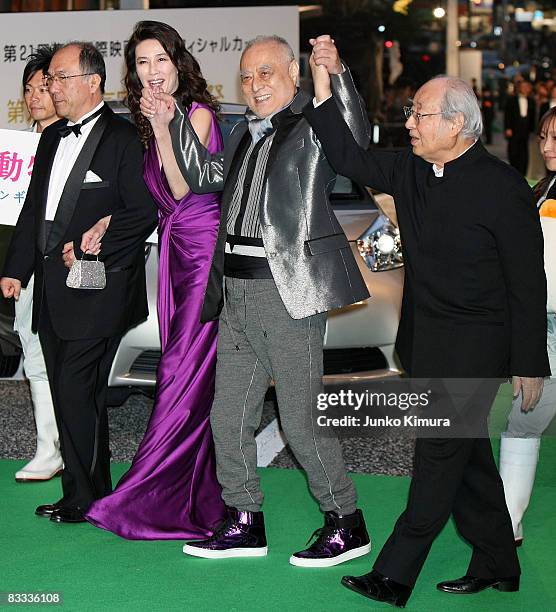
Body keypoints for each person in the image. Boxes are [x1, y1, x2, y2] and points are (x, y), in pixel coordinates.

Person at [304, 61, 549, 606]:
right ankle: (498, 563)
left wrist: (530, 362)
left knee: (437, 456)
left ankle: (394, 574)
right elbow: (347, 155)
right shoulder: (411, 169)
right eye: (411, 112)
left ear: (458, 125)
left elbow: (527, 283)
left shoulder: (503, 187)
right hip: (426, 339)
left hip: (478, 345)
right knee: (469, 461)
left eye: (420, 114)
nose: (409, 122)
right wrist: (322, 87)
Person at [141, 34, 371, 566]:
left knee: (299, 419)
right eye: (246, 76)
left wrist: (336, 74)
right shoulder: (244, 133)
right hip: (236, 291)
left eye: (266, 73)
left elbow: (353, 133)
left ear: (292, 72)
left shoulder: (313, 127)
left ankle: (346, 522)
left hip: (287, 292)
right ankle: (244, 520)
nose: (255, 85)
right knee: (228, 416)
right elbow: (202, 178)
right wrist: (172, 119)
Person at [0, 42, 157, 523]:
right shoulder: (50, 139)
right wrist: (15, 268)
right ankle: (87, 492)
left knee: (74, 387)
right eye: (50, 79)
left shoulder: (125, 140)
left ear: (93, 82)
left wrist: (95, 246)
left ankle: (84, 493)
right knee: (77, 393)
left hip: (99, 289)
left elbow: (142, 212)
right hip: (50, 289)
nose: (52, 87)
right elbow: (35, 212)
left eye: (61, 78)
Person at [85, 20, 226, 540]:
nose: (152, 72)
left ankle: (149, 491)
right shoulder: (148, 122)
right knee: (178, 366)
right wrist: (105, 220)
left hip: (202, 248)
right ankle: (192, 490)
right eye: (142, 64)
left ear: (178, 62)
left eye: (160, 60)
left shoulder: (199, 113)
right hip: (173, 250)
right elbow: (149, 198)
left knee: (181, 371)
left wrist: (167, 128)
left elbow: (183, 184)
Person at [499, 106, 556, 546]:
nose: (548, 146)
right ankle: (506, 527)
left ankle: (505, 528)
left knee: (523, 422)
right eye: (543, 137)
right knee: (522, 421)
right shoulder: (541, 188)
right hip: (538, 324)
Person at [13, 45, 63, 483]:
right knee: (35, 358)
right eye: (29, 89)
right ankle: (49, 447)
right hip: (26, 269)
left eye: (44, 86)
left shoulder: (76, 140)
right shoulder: (17, 147)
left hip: (69, 267)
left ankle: (67, 447)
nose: (35, 96)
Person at [504, 79, 536, 175]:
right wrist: (507, 128)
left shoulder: (531, 101)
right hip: (514, 129)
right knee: (513, 150)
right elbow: (507, 115)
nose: (525, 89)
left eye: (527, 87)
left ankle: (523, 172)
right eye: (523, 87)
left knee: (524, 151)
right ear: (519, 88)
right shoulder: (511, 100)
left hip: (525, 130)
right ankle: (513, 170)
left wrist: (532, 129)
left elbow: (533, 116)